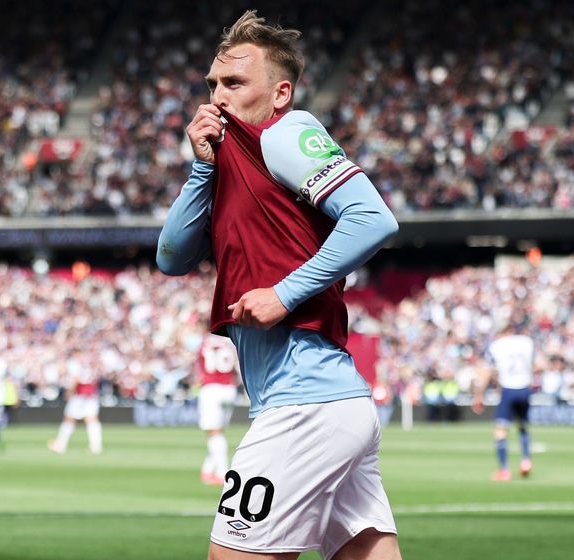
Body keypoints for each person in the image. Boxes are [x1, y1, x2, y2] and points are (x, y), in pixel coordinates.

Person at [157, 10, 401, 560]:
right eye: (213, 84)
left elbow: (372, 218)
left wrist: (284, 293)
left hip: (305, 406)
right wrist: (202, 168)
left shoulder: (288, 131)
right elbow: (171, 257)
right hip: (328, 405)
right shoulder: (230, 162)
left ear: (280, 92)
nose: (217, 97)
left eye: (235, 83)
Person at [472, 321, 536, 481]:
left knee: (501, 430)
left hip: (508, 389)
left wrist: (479, 395)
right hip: (525, 389)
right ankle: (526, 460)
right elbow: (536, 364)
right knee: (523, 426)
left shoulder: (496, 346)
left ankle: (504, 470)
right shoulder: (527, 342)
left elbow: (486, 371)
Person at [197, 331, 240, 486]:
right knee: (218, 432)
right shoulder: (230, 342)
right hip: (229, 389)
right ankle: (208, 469)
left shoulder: (205, 342)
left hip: (211, 389)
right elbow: (237, 365)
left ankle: (222, 473)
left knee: (214, 433)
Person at [48, 350, 103, 455]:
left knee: (69, 418)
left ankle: (61, 444)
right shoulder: (87, 362)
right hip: (91, 393)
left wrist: (70, 391)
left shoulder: (75, 363)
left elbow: (76, 379)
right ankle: (96, 446)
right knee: (91, 419)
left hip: (80, 393)